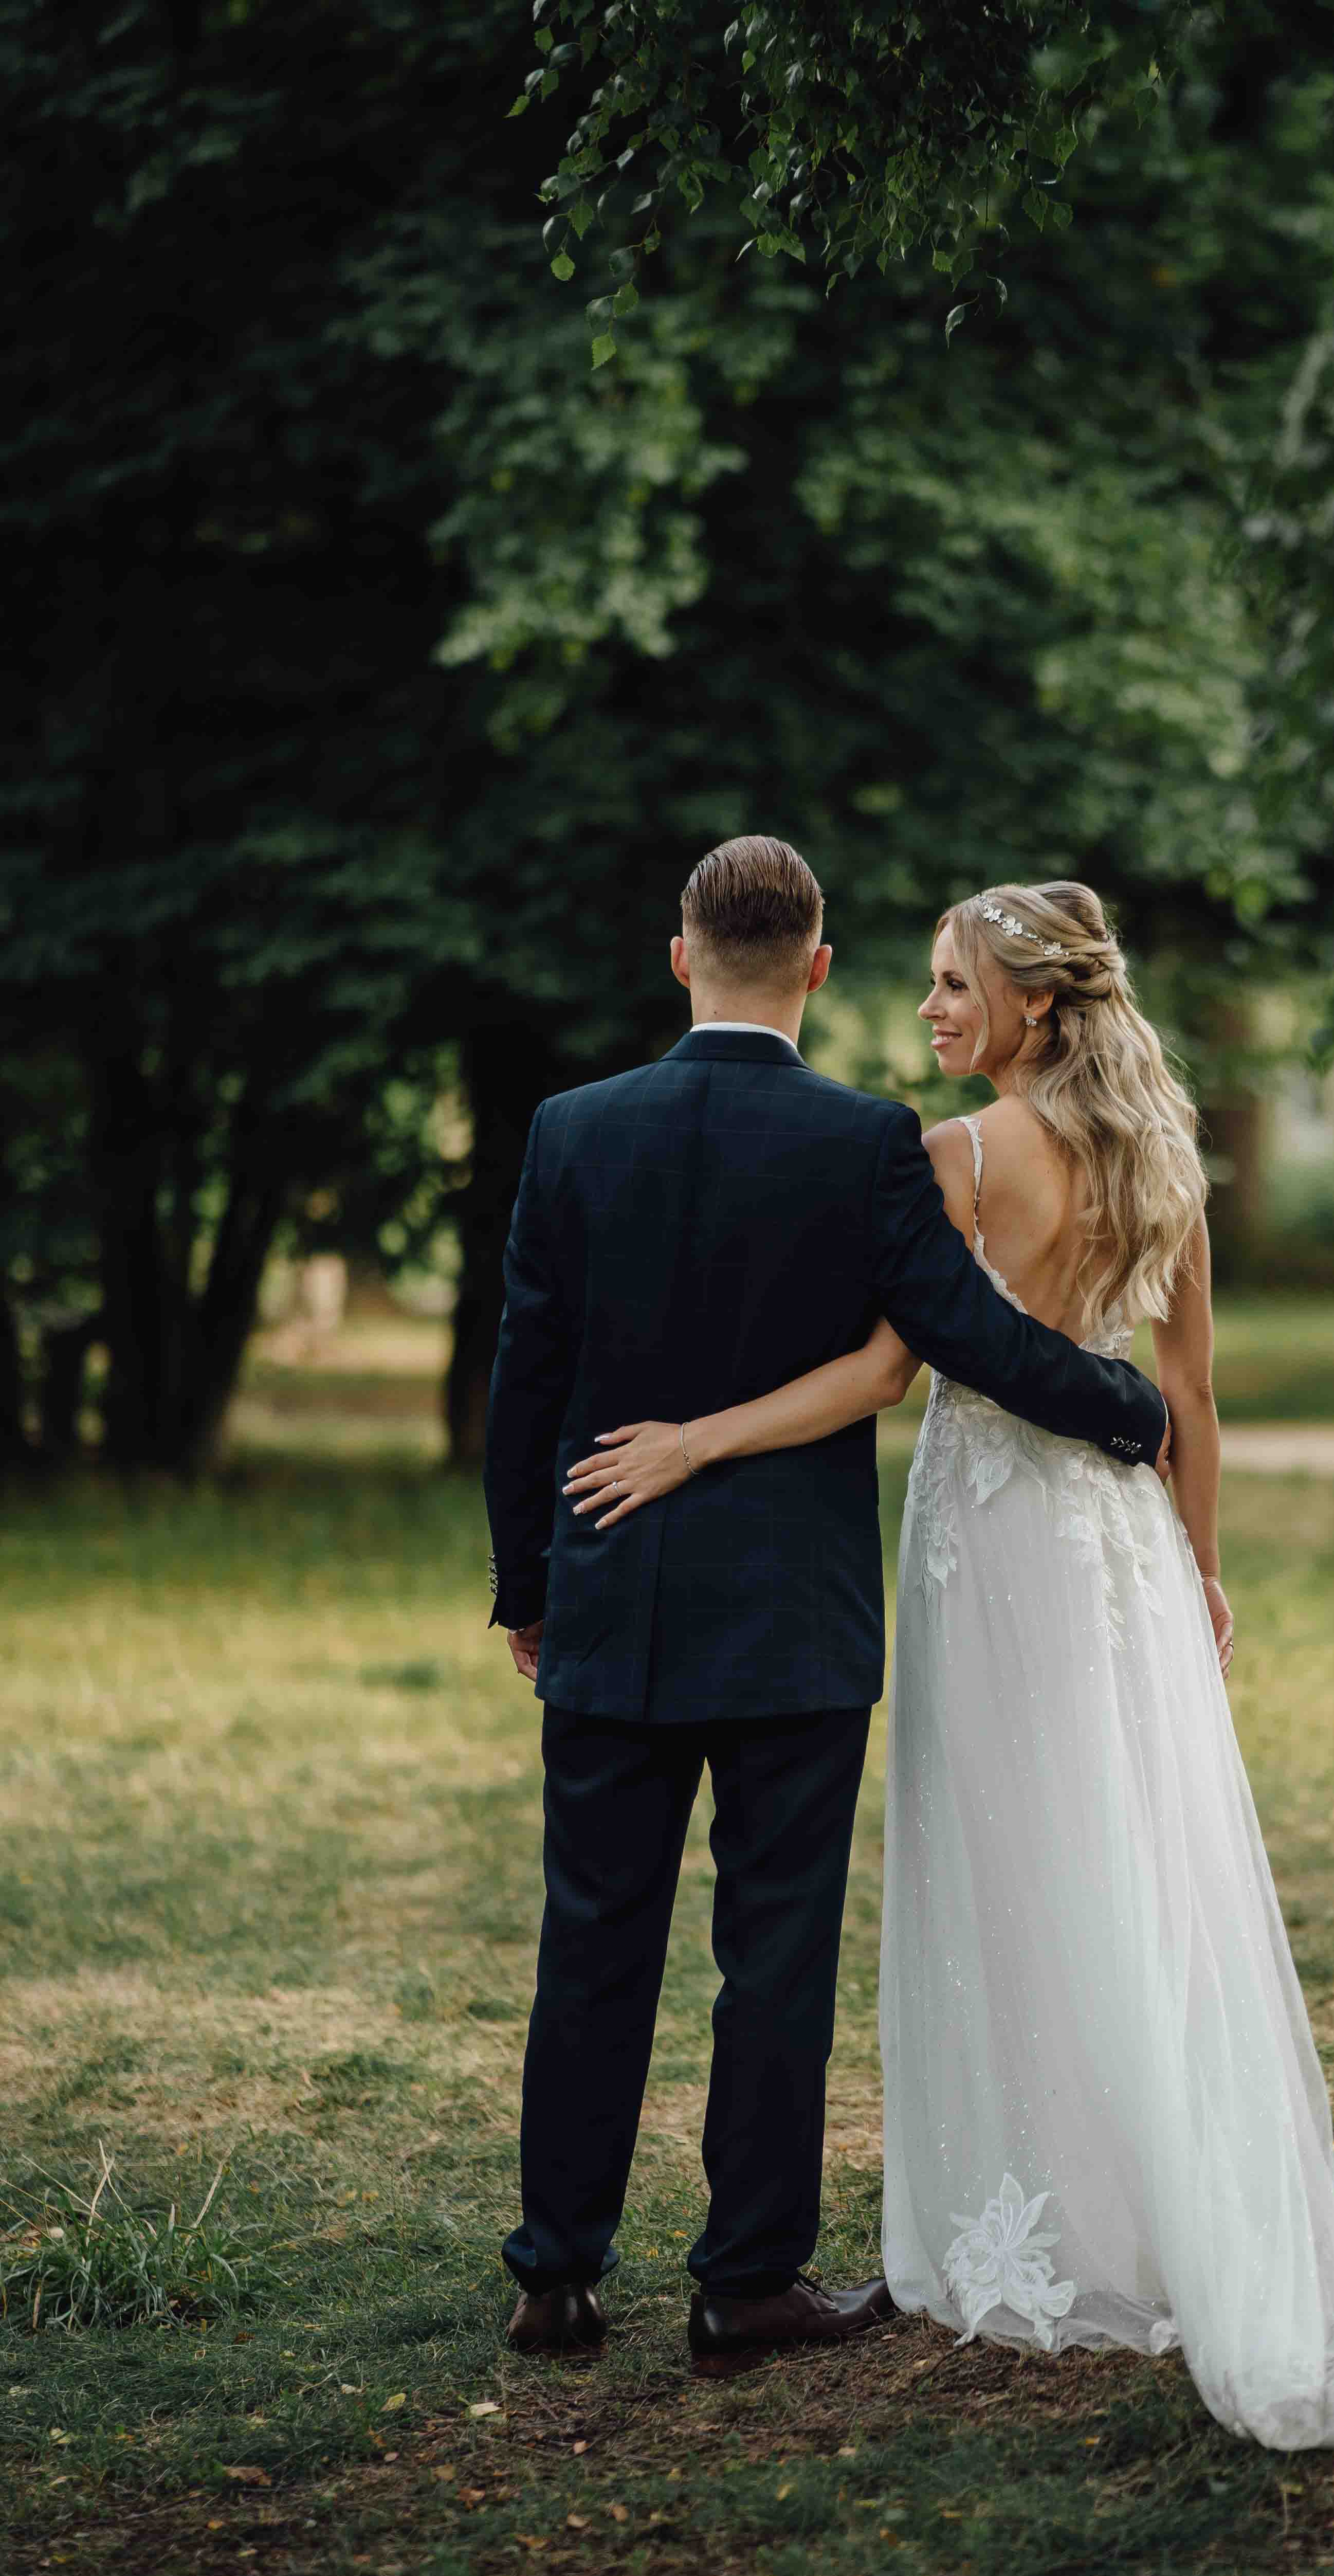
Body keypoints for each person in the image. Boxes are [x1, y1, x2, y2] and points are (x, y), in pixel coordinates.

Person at [570, 879, 1334, 2446]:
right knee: (1128, 1854)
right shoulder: (1164, 1155)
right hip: (1123, 1549)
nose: (931, 1008)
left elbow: (884, 1374)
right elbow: (1190, 1396)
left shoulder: (957, 1156)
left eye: (956, 984)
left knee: (1005, 1860)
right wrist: (1201, 1565)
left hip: (986, 1546)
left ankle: (1028, 2200)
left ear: (1033, 1002)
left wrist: (695, 1440)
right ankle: (1140, 2196)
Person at [484, 838, 1168, 2369]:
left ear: (681, 957)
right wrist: (1130, 1410)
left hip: (610, 1597)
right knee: (774, 1952)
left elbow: (525, 1375)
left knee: (592, 1937)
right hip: (791, 1623)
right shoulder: (862, 1140)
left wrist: (529, 1585)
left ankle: (556, 2277)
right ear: (818, 966)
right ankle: (744, 2285)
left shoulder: (571, 1131)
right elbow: (961, 1338)